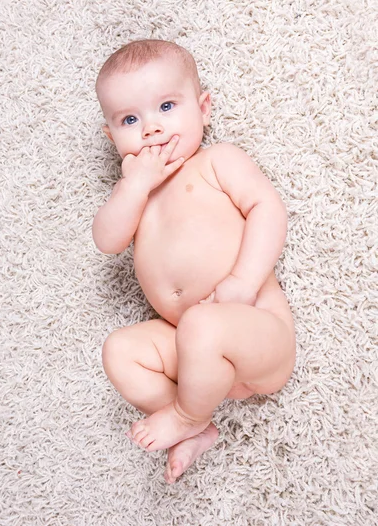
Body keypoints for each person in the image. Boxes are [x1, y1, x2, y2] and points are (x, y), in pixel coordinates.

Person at [92, 39, 296, 484]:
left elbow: (268, 208)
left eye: (166, 106)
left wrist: (244, 280)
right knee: (120, 351)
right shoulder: (137, 198)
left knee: (203, 323)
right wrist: (133, 187)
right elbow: (107, 240)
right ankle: (197, 422)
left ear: (203, 108)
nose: (151, 129)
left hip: (255, 330)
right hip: (190, 349)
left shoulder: (217, 162)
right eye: (130, 119)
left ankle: (185, 415)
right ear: (112, 136)